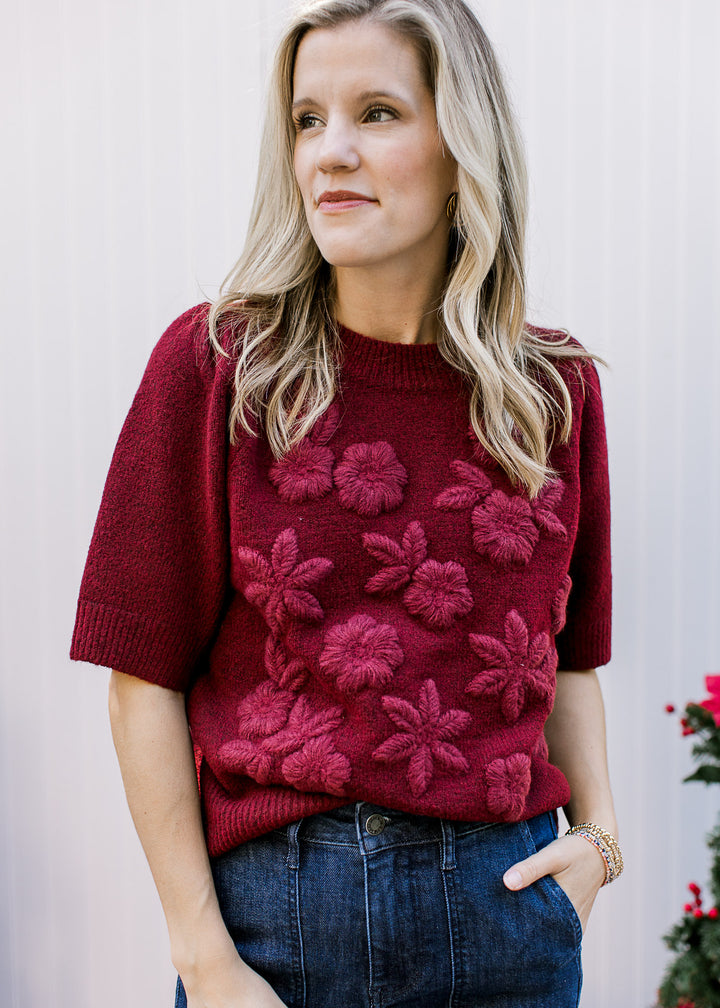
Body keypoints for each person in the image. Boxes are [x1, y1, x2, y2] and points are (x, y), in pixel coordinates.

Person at [70, 0, 621, 1005]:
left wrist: (599, 846)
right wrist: (205, 960)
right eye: (307, 119)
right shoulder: (223, 368)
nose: (330, 153)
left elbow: (571, 658)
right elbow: (139, 681)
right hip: (277, 930)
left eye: (376, 112)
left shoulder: (551, 390)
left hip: (506, 916)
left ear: (464, 147)